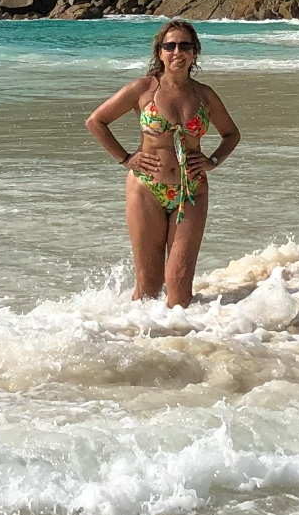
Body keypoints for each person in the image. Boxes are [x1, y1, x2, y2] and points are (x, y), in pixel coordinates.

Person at [86, 20, 239, 305]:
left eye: (184, 45)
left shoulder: (204, 95)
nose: (177, 51)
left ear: (194, 52)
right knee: (148, 288)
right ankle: (139, 334)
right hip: (146, 188)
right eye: (170, 46)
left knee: (179, 290)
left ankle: (187, 333)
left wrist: (213, 160)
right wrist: (126, 158)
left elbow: (231, 134)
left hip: (192, 190)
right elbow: (96, 121)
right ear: (160, 52)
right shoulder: (143, 89)